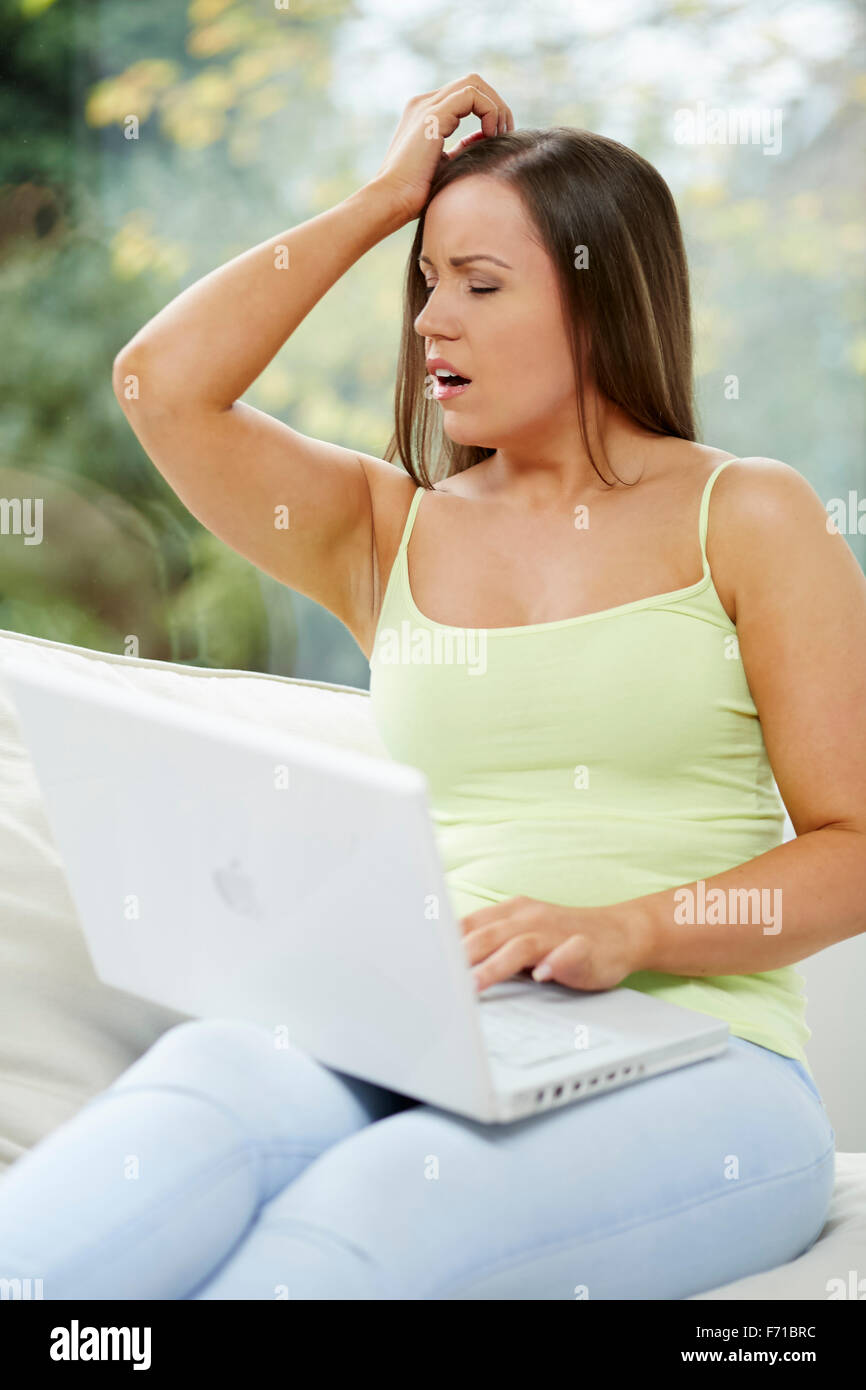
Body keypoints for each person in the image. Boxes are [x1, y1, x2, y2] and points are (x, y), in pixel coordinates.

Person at [2, 74, 863, 1301]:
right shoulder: (379, 528)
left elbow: (854, 843)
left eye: (479, 284)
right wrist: (378, 199)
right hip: (417, 1029)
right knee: (198, 1104)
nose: (428, 324)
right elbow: (162, 385)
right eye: (425, 282)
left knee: (350, 1222)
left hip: (704, 1059)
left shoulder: (750, 513)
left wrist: (631, 930)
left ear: (594, 300)